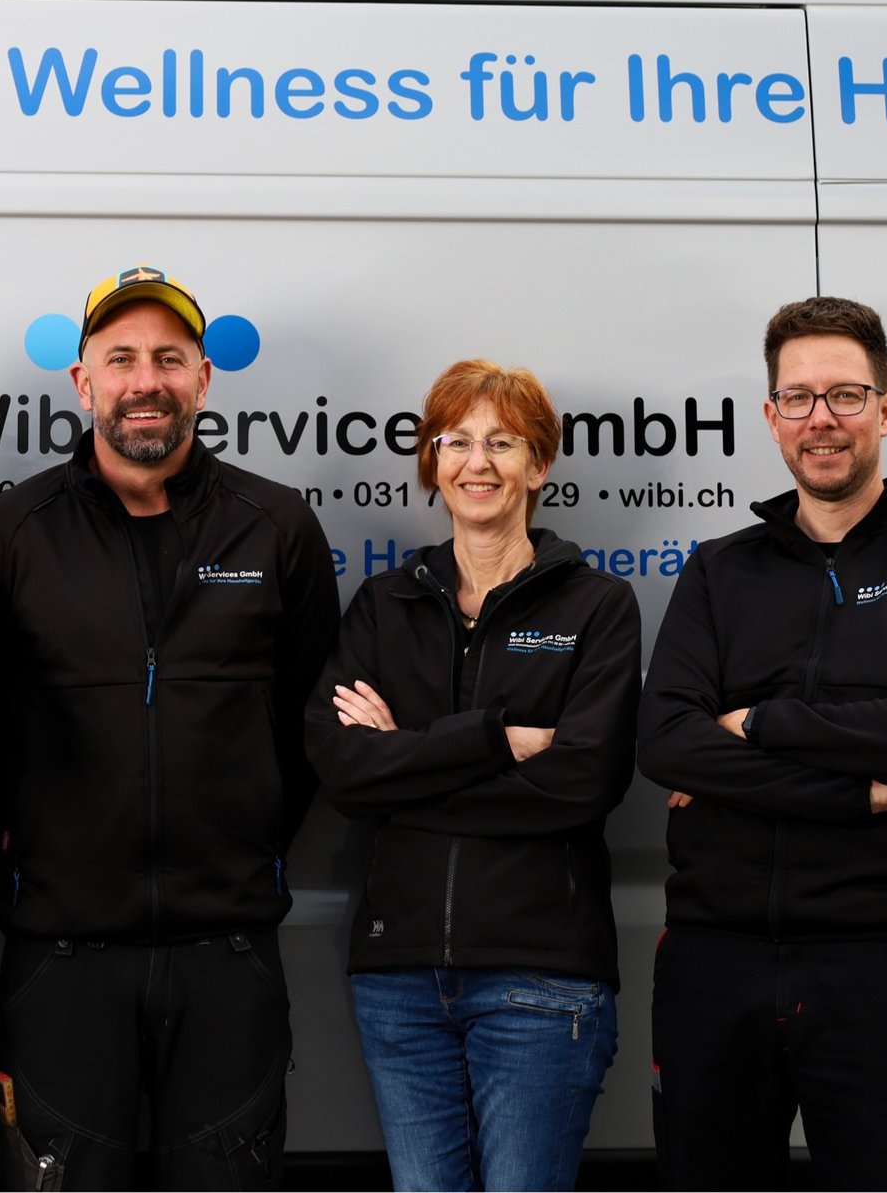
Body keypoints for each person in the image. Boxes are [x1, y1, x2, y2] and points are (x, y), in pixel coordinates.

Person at [0, 265, 339, 1189]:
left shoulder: (276, 526)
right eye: (120, 356)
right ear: (82, 380)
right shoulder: (10, 533)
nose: (146, 379)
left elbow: (309, 727)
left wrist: (243, 839)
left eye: (169, 357)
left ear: (203, 379)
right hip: (60, 953)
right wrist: (30, 844)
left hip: (229, 952)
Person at [637, 296, 887, 1190]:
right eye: (798, 398)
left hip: (880, 956)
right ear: (769, 418)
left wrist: (760, 723)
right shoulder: (719, 571)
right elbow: (666, 740)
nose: (821, 420)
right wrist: (857, 787)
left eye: (845, 394)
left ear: (886, 408)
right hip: (712, 960)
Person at [305, 359, 640, 1192]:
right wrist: (498, 739)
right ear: (432, 461)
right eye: (456, 440)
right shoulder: (384, 605)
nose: (477, 461)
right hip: (399, 978)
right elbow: (346, 774)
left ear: (540, 464)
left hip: (543, 977)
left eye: (502, 441)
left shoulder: (595, 607)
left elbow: (582, 783)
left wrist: (407, 758)